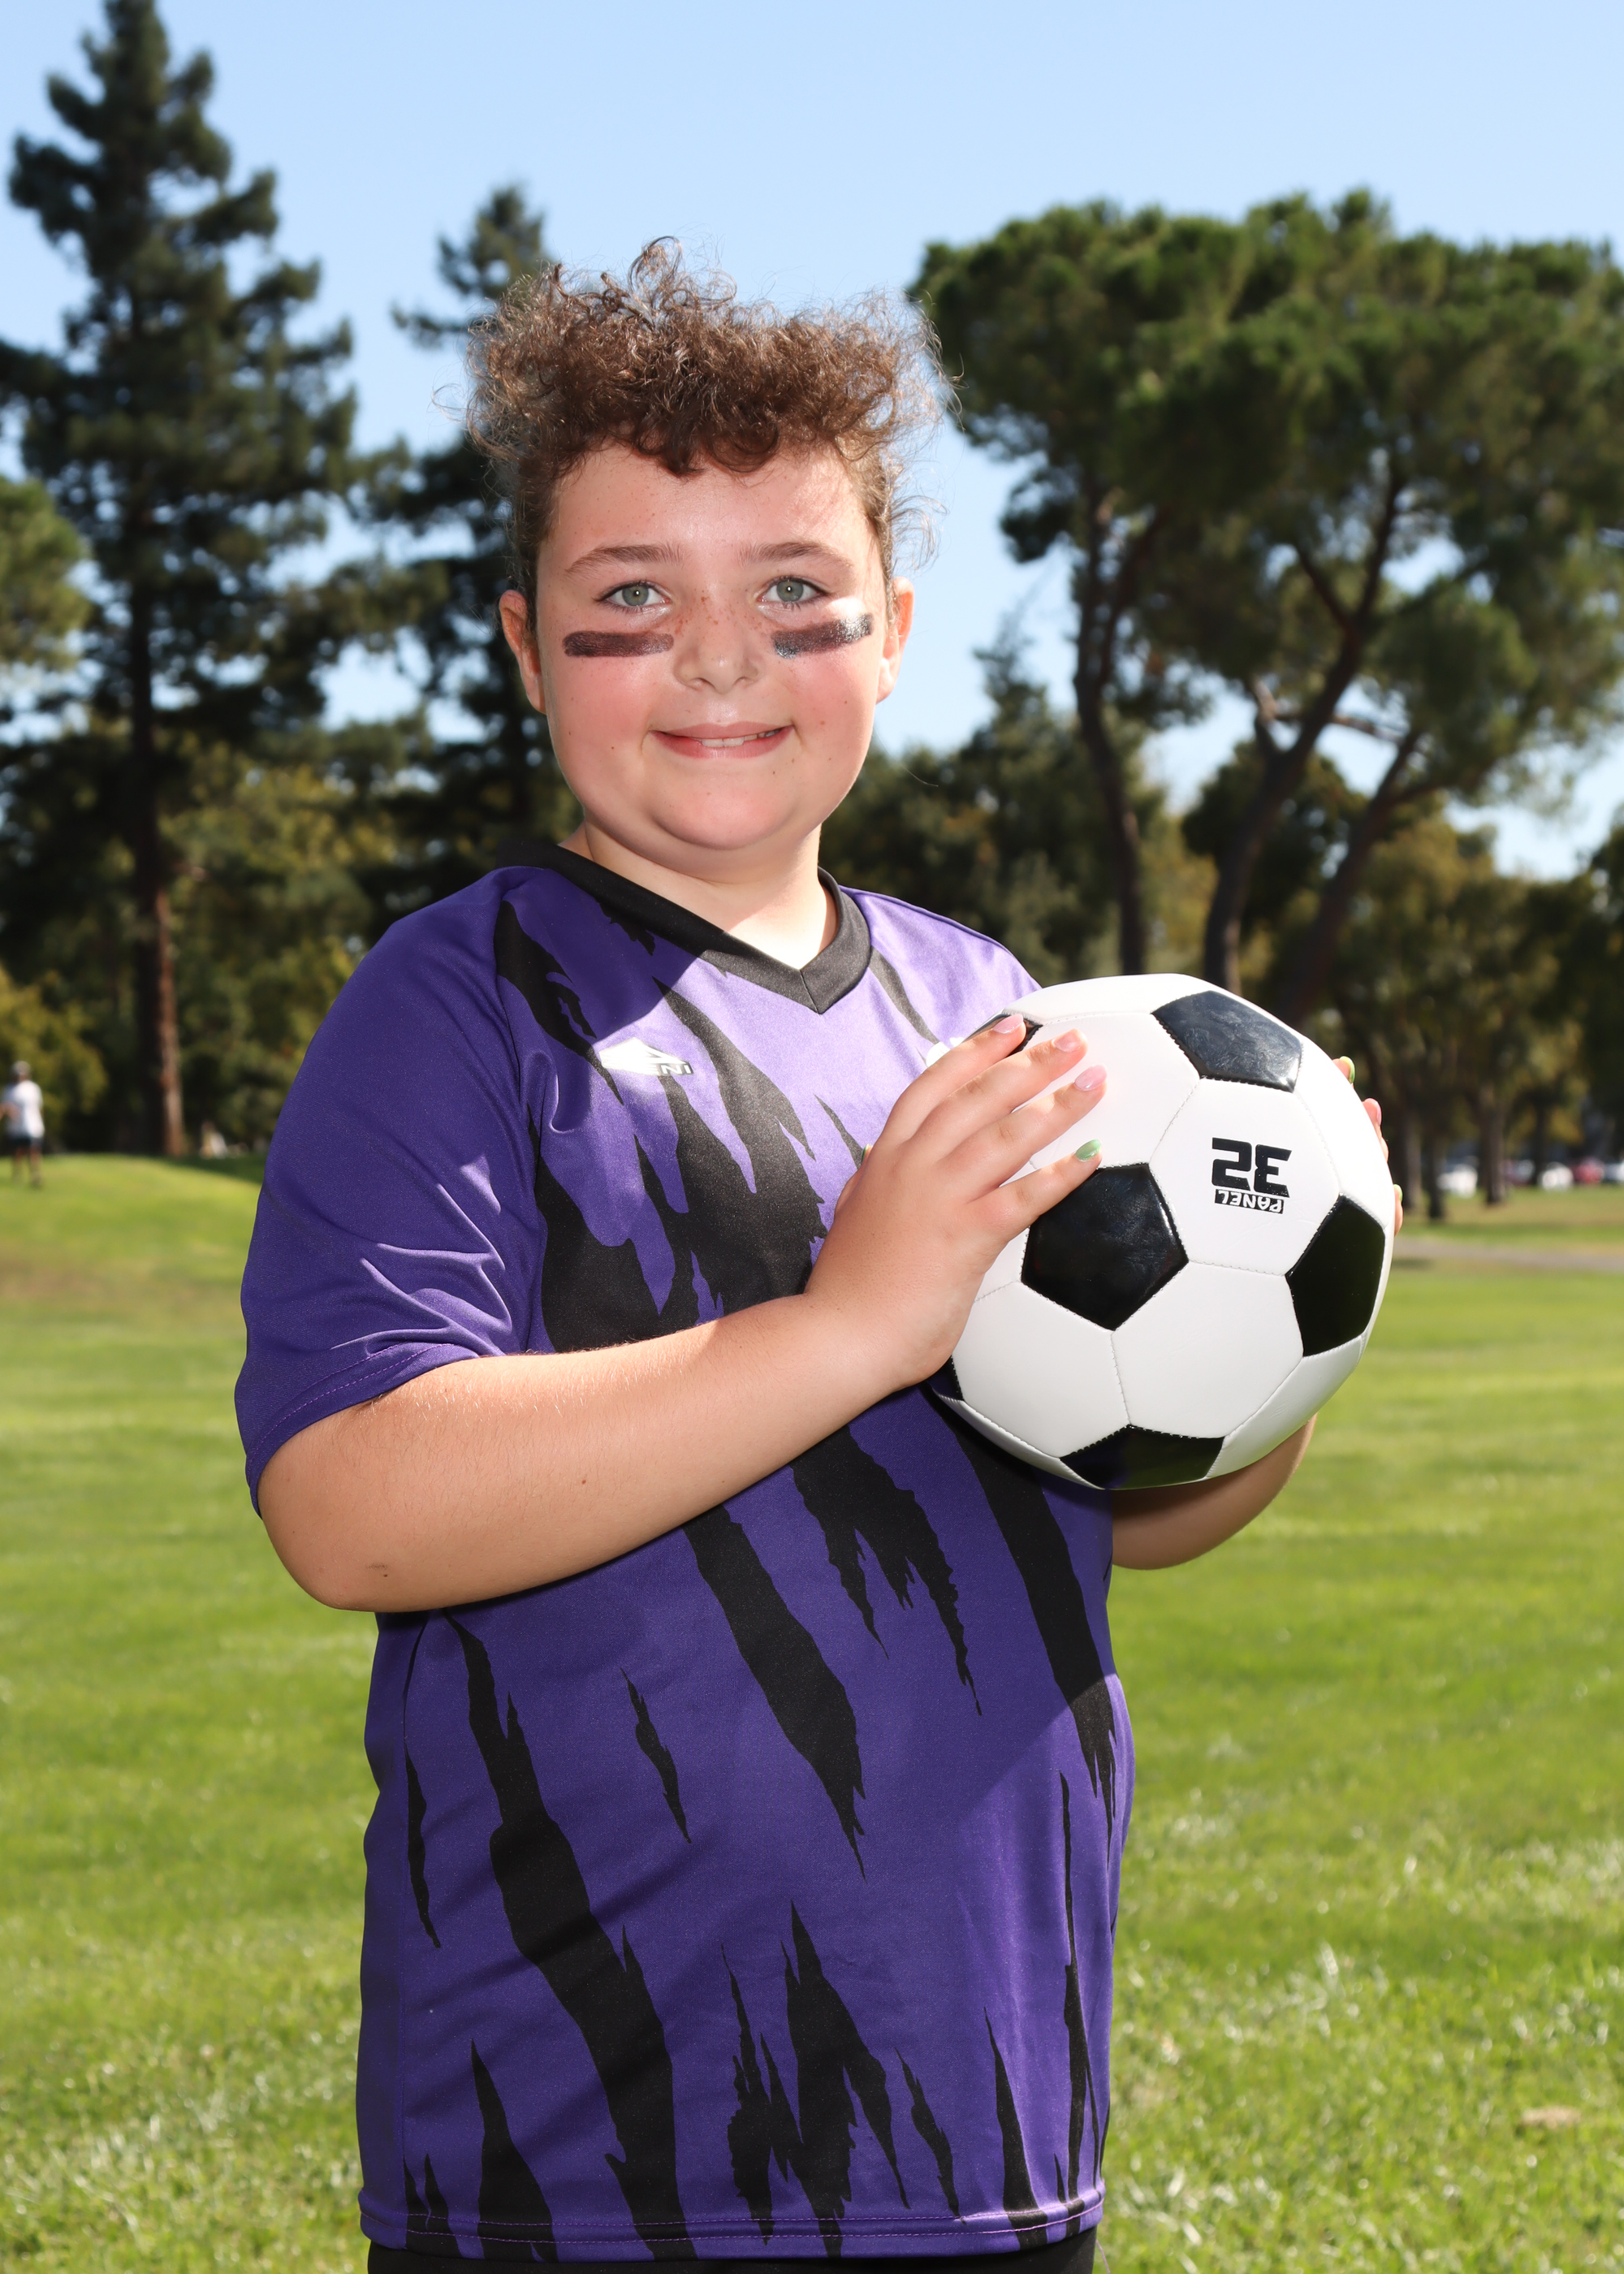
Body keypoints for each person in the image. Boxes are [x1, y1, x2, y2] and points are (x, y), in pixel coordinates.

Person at [237, 249, 1397, 2272]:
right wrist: (851, 1323)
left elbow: (1111, 1506)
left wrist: (1277, 1311)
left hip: (983, 2110)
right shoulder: (459, 1005)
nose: (718, 659)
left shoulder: (999, 1013)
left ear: (895, 632)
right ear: (524, 648)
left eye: (795, 592)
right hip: (590, 2146)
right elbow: (351, 1500)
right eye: (630, 602)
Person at [3, 1060, 45, 1185]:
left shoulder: (33, 1088)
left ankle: (36, 1175)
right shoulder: (9, 1090)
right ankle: (17, 1175)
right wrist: (9, 1112)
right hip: (16, 1127)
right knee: (18, 1151)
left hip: (33, 1126)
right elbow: (4, 1107)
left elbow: (39, 1107)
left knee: (34, 1150)